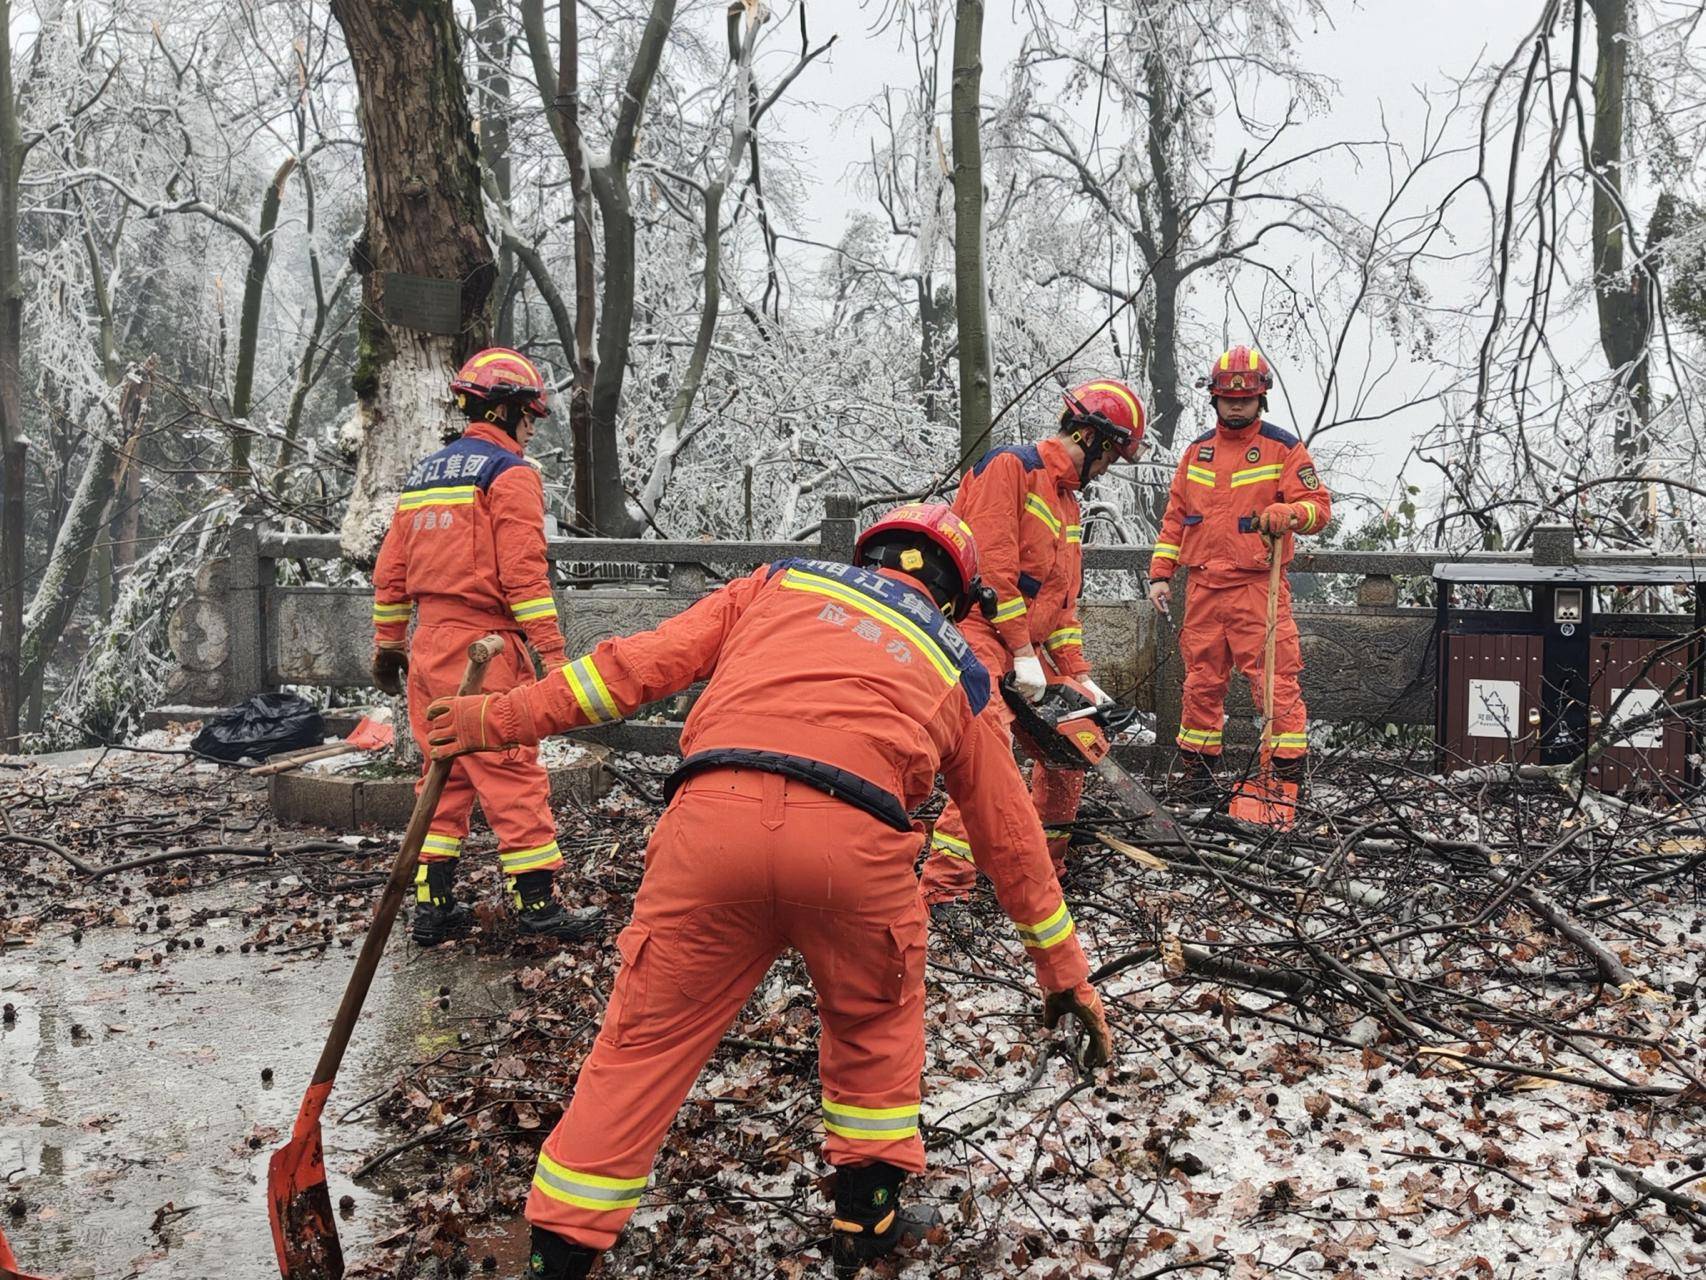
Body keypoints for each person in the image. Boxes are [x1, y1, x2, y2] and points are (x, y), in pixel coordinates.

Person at [423, 503, 1112, 1279]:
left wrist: (499, 717)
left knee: (640, 1047)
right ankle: (867, 1214)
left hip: (710, 829)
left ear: (866, 556)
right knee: (874, 1018)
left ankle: (561, 1251)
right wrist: (1065, 976)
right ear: (955, 596)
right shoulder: (959, 661)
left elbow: (630, 669)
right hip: (855, 849)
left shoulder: (776, 584)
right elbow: (1010, 837)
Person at [370, 346, 600, 945]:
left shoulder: (423, 477)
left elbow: (390, 572)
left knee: (444, 774)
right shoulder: (510, 474)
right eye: (529, 415)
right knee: (511, 769)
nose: (531, 428)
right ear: (504, 411)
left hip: (427, 649)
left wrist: (390, 642)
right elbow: (524, 577)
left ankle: (432, 905)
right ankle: (537, 906)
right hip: (485, 650)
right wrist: (552, 654)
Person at [918, 379, 1146, 909]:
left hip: (1028, 645)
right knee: (987, 753)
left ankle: (1044, 872)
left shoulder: (1068, 504)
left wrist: (1079, 673)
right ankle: (944, 891)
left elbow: (1060, 605)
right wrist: (1020, 653)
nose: (1109, 468)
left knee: (1075, 738)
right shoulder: (1010, 468)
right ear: (1091, 437)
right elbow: (994, 573)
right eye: (1111, 455)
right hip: (976, 632)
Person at [1146, 345, 1333, 808]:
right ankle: (1199, 782)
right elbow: (1175, 519)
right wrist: (1160, 574)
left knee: (1276, 684)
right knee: (1200, 684)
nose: (1235, 403)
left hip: (1257, 587)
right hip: (1204, 588)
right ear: (1213, 398)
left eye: (1245, 397)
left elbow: (1320, 509)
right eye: (1227, 396)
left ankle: (1284, 787)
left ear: (1260, 398)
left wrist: (1289, 512)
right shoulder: (1196, 453)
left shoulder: (1283, 448)